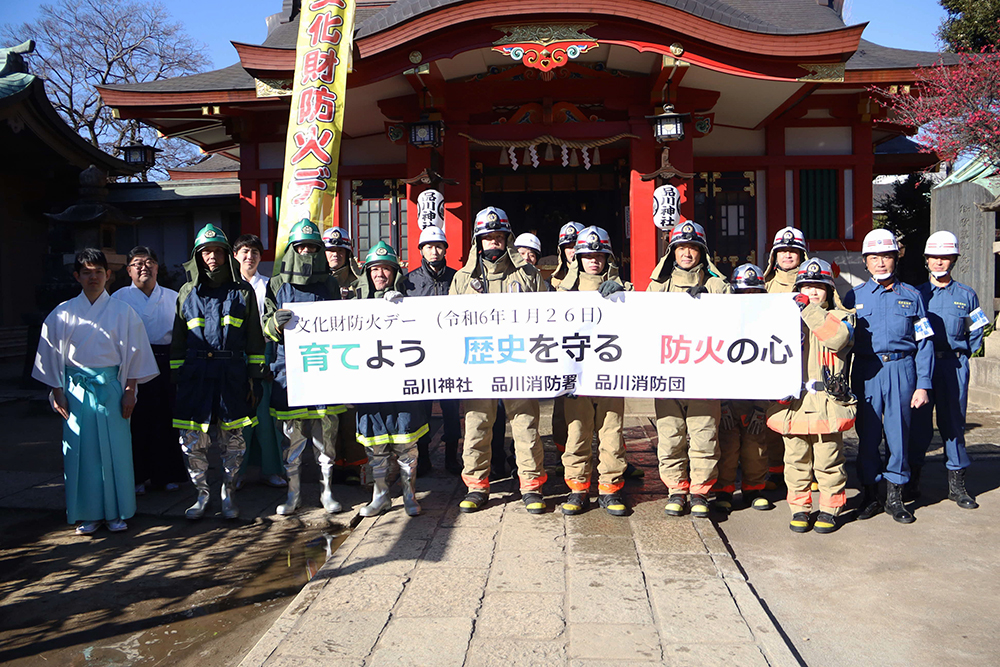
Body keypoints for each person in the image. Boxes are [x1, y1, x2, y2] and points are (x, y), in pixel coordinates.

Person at [33, 248, 158, 534]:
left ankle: (117, 512)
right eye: (87, 272)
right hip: (75, 390)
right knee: (81, 452)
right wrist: (57, 391)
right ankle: (88, 513)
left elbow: (136, 353)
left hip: (111, 388)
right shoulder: (62, 313)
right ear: (77, 276)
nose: (93, 277)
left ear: (109, 275)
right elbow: (50, 355)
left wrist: (130, 390)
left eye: (98, 272)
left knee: (117, 452)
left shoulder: (123, 312)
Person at [450, 206, 548, 514]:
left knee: (526, 424)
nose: (493, 243)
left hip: (519, 361)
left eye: (498, 237)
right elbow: (448, 323)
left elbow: (549, 315)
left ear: (507, 238)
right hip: (478, 363)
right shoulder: (462, 279)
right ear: (478, 241)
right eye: (487, 238)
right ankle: (477, 486)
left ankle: (531, 485)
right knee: (477, 425)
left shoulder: (528, 275)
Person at [171, 224, 267, 520]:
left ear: (227, 254)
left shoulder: (243, 291)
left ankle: (228, 491)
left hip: (231, 374)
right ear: (197, 256)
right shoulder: (187, 292)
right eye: (205, 252)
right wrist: (177, 377)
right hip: (195, 375)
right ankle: (201, 494)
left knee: (233, 439)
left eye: (216, 251)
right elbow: (178, 340)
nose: (211, 257)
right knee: (191, 440)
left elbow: (254, 338)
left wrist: (255, 377)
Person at [844, 228, 933, 524]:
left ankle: (896, 496)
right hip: (867, 370)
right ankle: (871, 493)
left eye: (886, 256)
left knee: (898, 433)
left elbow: (925, 343)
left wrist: (923, 384)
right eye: (874, 257)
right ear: (865, 262)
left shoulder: (913, 297)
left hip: (901, 369)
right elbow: (840, 343)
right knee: (867, 434)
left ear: (896, 258)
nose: (880, 262)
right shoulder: (852, 296)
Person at [263, 220, 345, 515]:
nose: (307, 251)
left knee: (326, 439)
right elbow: (265, 323)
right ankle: (293, 494)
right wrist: (274, 324)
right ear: (292, 249)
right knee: (292, 440)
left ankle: (326, 492)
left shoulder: (330, 283)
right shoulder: (277, 283)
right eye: (301, 247)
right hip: (290, 372)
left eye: (312, 247)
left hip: (325, 369)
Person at [768, 259, 856, 533]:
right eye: (807, 286)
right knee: (795, 462)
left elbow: (837, 339)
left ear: (830, 291)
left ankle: (830, 509)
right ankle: (800, 508)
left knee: (829, 461)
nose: (814, 292)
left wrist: (807, 309)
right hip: (794, 403)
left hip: (827, 403)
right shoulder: (783, 319)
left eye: (819, 287)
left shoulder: (843, 318)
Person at [648, 221, 728, 518]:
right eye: (681, 248)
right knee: (670, 434)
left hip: (705, 373)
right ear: (672, 252)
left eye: (693, 248)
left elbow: (735, 324)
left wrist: (708, 300)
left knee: (705, 433)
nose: (687, 253)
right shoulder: (658, 285)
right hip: (667, 372)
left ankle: (701, 492)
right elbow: (642, 320)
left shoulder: (719, 286)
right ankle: (676, 489)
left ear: (702, 252)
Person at [556, 226, 631, 516]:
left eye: (600, 256)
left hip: (611, 376)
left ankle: (610, 490)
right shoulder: (562, 293)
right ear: (579, 259)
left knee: (611, 434)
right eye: (588, 256)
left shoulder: (625, 291)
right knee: (577, 434)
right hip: (577, 377)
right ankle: (577, 489)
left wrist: (622, 293)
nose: (594, 261)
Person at [908, 231, 985, 509]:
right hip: (922, 366)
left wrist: (962, 352)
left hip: (954, 365)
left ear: (953, 259)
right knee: (918, 424)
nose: (939, 262)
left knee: (953, 424)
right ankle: (912, 480)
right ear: (926, 260)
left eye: (945, 257)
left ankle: (957, 486)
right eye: (934, 257)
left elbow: (978, 329)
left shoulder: (967, 294)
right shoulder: (914, 294)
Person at [355, 241, 428, 517]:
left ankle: (409, 495)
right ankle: (381, 496)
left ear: (395, 272)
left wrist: (403, 309)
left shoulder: (410, 301)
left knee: (406, 445)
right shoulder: (353, 305)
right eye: (375, 269)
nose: (380, 275)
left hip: (401, 387)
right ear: (367, 273)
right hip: (370, 387)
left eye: (386, 269)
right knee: (376, 447)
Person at [111, 246, 187, 493]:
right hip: (130, 363)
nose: (144, 267)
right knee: (135, 421)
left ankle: (165, 475)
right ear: (129, 270)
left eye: (149, 262)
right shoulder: (118, 298)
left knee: (165, 419)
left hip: (164, 362)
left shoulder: (174, 296)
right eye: (137, 263)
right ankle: (136, 476)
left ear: (157, 267)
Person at [713, 264, 772, 514]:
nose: (749, 299)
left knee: (755, 448)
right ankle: (724, 490)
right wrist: (722, 403)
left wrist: (762, 406)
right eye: (743, 294)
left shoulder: (771, 325)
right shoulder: (721, 324)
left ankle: (754, 489)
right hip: (729, 398)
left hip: (756, 398)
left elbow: (774, 367)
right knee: (727, 447)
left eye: (754, 294)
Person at [404, 225, 462, 476]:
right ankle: (424, 458)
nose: (434, 251)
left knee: (451, 409)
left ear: (445, 249)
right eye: (429, 246)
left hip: (451, 353)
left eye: (439, 246)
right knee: (422, 410)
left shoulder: (457, 277)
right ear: (421, 250)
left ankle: (451, 458)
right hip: (421, 355)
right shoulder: (409, 281)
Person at [232, 234, 287, 490]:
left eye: (254, 252)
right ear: (235, 256)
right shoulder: (229, 286)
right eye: (244, 251)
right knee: (240, 417)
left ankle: (272, 470)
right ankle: (237, 470)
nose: (249, 256)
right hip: (236, 355)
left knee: (266, 417)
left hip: (265, 352)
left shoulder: (270, 285)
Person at [762, 227, 808, 491]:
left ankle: (805, 471)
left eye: (793, 251)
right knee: (772, 414)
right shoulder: (765, 285)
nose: (788, 255)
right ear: (774, 255)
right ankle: (775, 469)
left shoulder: (813, 283)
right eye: (782, 251)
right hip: (771, 359)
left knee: (803, 416)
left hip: (806, 359)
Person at [323, 226, 368, 484]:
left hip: (352, 356)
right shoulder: (315, 280)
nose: (335, 255)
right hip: (323, 356)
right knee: (328, 414)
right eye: (330, 250)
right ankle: (330, 465)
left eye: (340, 251)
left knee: (351, 413)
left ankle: (353, 465)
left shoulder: (358, 281)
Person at [548, 222, 584, 474]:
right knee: (563, 413)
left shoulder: (603, 273)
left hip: (597, 352)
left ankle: (616, 462)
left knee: (607, 416)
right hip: (564, 354)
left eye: (576, 245)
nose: (572, 251)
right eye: (568, 247)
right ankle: (564, 458)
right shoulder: (553, 280)